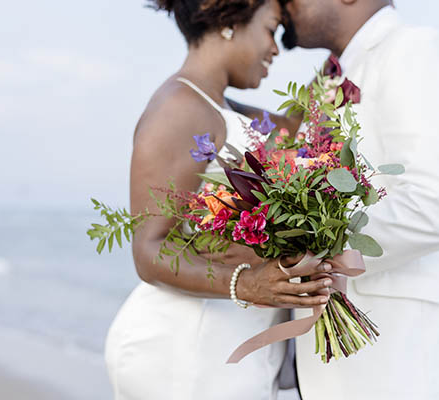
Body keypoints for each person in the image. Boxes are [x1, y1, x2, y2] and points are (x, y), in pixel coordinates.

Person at [104, 1, 333, 399]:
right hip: (183, 351)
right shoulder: (179, 107)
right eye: (271, 30)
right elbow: (148, 249)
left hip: (226, 349)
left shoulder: (224, 109)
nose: (276, 49)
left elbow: (308, 122)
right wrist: (246, 283)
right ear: (230, 22)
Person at [278, 1, 439, 399]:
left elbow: (438, 204)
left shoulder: (414, 49)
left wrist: (310, 241)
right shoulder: (322, 83)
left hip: (407, 366)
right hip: (338, 369)